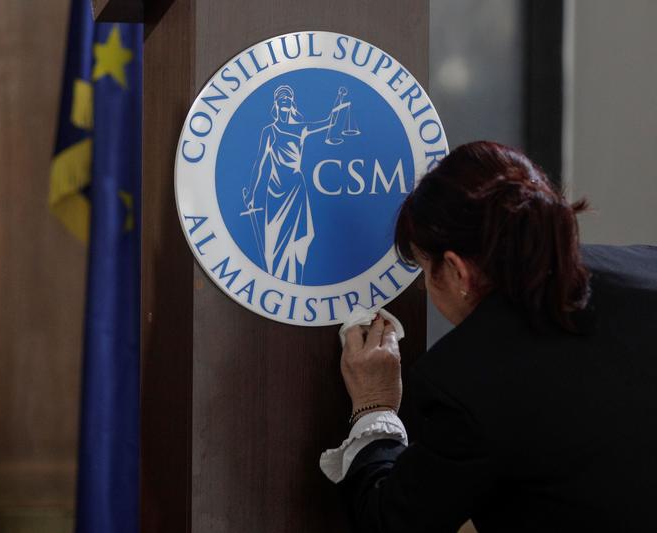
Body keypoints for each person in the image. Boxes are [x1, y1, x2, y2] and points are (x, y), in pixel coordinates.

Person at [322, 141, 657, 532]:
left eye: (425, 270)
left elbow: (392, 522)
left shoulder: (469, 382)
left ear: (457, 270)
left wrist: (374, 406)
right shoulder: (646, 267)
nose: (425, 288)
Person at [244, 84, 348, 283]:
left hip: (295, 189)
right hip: (275, 192)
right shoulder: (269, 131)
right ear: (276, 103)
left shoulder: (300, 128)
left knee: (298, 241)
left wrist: (339, 101)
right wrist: (251, 194)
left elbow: (329, 122)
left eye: (288, 98)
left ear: (292, 103)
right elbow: (259, 163)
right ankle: (276, 283)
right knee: (272, 244)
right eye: (281, 98)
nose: (285, 101)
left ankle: (295, 282)